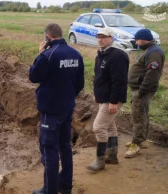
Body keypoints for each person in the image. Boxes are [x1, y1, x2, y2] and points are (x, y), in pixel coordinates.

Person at [29, 23, 84, 194]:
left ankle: (49, 189)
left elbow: (33, 76)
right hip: (67, 107)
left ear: (48, 37)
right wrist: (67, 97)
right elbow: (80, 84)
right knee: (65, 146)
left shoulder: (47, 55)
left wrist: (39, 54)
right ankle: (65, 185)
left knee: (49, 148)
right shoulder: (76, 54)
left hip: (51, 110)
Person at [87, 28, 129, 172]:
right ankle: (112, 156)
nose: (100, 39)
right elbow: (99, 77)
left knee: (98, 127)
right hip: (104, 97)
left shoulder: (118, 56)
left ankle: (100, 160)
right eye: (98, 36)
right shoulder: (100, 54)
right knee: (110, 126)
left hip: (113, 98)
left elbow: (119, 81)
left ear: (112, 38)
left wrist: (113, 102)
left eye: (104, 37)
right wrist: (97, 95)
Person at [125, 28, 165, 158]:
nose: (136, 42)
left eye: (137, 39)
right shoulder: (147, 50)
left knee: (138, 116)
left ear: (144, 39)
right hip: (138, 88)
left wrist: (142, 90)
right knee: (142, 114)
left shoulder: (154, 52)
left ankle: (136, 144)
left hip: (142, 90)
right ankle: (141, 139)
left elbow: (152, 74)